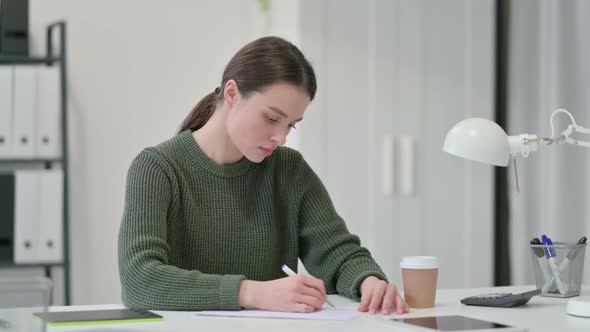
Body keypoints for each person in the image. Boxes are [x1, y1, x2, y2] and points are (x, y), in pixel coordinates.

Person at [118, 36, 409, 315]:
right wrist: (252, 293)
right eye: (271, 119)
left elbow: (337, 251)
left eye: (291, 125)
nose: (281, 137)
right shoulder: (157, 169)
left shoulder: (289, 170)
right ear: (232, 94)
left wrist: (367, 282)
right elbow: (140, 279)